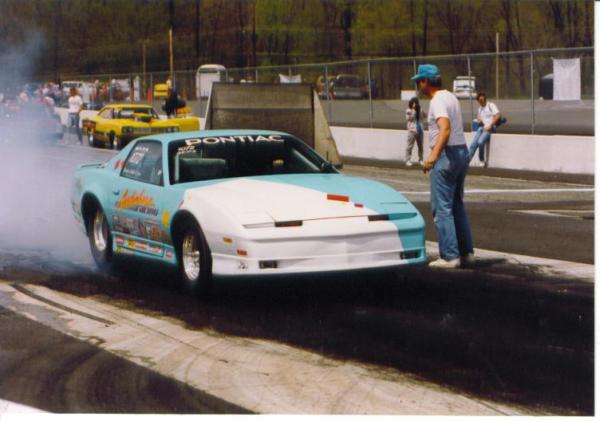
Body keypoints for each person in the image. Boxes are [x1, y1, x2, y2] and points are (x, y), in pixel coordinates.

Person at [412, 64, 474, 269]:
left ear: (425, 81)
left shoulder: (437, 100)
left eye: (419, 81)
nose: (418, 85)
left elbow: (444, 128)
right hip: (461, 151)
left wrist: (432, 156)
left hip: (446, 155)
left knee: (442, 208)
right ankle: (466, 252)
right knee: (457, 204)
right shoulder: (451, 96)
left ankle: (449, 256)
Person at [468, 92, 501, 166]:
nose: (481, 102)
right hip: (482, 128)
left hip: (490, 128)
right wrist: (479, 121)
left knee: (480, 142)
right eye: (479, 100)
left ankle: (482, 160)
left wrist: (490, 125)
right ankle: (466, 161)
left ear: (485, 99)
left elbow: (498, 115)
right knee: (474, 144)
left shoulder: (491, 105)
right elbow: (479, 117)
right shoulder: (480, 108)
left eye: (482, 100)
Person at [405, 96, 426, 166]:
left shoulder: (420, 109)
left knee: (421, 146)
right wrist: (413, 111)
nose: (415, 104)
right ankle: (408, 160)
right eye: (414, 103)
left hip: (420, 129)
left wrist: (422, 112)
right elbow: (408, 119)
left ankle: (421, 159)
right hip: (412, 130)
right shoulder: (408, 110)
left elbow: (423, 117)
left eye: (416, 103)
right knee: (410, 146)